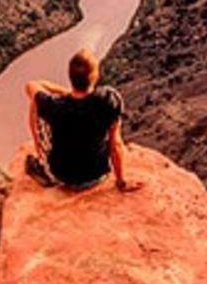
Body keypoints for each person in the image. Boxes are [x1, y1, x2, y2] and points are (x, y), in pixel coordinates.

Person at [24, 47, 141, 192]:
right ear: (96, 76)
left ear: (70, 76)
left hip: (61, 176)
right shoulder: (109, 100)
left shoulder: (56, 106)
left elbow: (31, 85)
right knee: (106, 128)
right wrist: (121, 181)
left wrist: (66, 93)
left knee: (35, 104)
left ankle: (41, 161)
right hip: (96, 175)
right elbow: (116, 144)